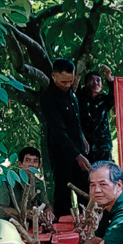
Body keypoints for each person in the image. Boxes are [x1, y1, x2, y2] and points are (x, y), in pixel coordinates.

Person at [41, 58, 90, 218]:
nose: (67, 85)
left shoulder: (70, 92)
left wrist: (82, 136)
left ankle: (89, 226)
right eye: (63, 82)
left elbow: (75, 120)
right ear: (53, 76)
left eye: (70, 81)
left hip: (78, 150)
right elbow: (59, 132)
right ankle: (62, 232)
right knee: (63, 195)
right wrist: (77, 155)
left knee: (86, 191)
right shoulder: (49, 99)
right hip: (62, 154)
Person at [0, 147, 54, 224]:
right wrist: (23, 213)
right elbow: (1, 207)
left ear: (39, 165)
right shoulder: (6, 180)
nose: (31, 165)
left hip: (27, 224)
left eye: (35, 161)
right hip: (3, 224)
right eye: (27, 161)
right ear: (20, 164)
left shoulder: (38, 183)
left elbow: (46, 203)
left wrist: (48, 211)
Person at [79, 65, 115, 163]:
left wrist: (108, 77)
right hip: (85, 146)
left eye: (98, 80)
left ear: (102, 86)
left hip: (103, 146)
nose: (95, 83)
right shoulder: (79, 99)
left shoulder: (104, 100)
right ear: (86, 83)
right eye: (91, 80)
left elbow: (114, 95)